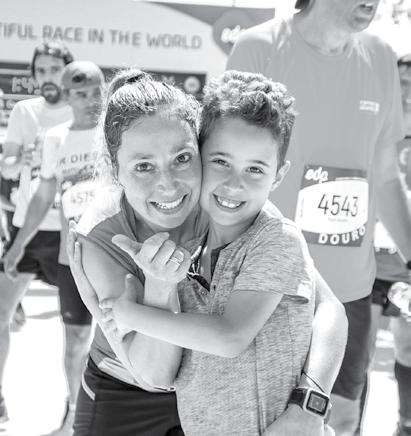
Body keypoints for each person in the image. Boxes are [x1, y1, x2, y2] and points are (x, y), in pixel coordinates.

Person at [68, 67, 346, 436]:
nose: (168, 185)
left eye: (182, 158)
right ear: (115, 169)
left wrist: (309, 403)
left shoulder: (231, 205)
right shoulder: (102, 236)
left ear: (199, 150)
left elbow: (328, 308)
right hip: (127, 392)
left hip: (220, 401)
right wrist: (158, 288)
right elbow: (156, 375)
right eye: (144, 167)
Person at [227, 1, 411, 434]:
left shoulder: (380, 56)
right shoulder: (259, 48)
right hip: (268, 285)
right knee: (269, 424)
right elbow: (225, 167)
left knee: (342, 419)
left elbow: (386, 177)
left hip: (349, 291)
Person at [3, 61, 104, 435]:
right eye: (80, 94)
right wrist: (18, 246)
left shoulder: (114, 132)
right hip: (71, 258)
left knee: (119, 341)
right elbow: (44, 195)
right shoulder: (55, 139)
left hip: (115, 257)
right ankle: (76, 417)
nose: (90, 101)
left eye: (95, 92)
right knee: (75, 343)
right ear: (67, 97)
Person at [0, 41, 73, 425]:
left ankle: (75, 413)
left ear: (68, 72)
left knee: (77, 335)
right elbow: (8, 167)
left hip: (70, 233)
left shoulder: (82, 113)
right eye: (41, 70)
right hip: (26, 230)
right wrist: (21, 158)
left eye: (54, 69)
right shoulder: (24, 111)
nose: (47, 77)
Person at [366, 53, 411, 436]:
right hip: (365, 268)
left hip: (406, 268)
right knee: (359, 356)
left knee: (407, 349)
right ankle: (349, 426)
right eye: (402, 84)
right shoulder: (370, 135)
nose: (407, 93)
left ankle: (405, 423)